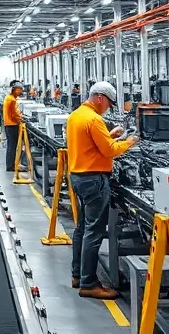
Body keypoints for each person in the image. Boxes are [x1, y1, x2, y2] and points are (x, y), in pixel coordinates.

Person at [66, 80, 139, 300]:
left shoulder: (76, 115)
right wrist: (129, 142)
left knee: (82, 228)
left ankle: (78, 274)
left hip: (78, 176)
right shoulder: (94, 119)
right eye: (108, 103)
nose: (108, 107)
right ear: (100, 97)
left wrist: (112, 135)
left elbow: (90, 145)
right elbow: (108, 152)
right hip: (93, 180)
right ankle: (89, 284)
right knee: (94, 231)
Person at [3, 81, 25, 172]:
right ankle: (10, 166)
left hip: (9, 125)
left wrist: (19, 115)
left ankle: (11, 164)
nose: (21, 92)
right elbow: (12, 114)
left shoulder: (9, 98)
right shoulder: (11, 99)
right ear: (15, 90)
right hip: (12, 125)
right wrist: (20, 119)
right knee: (12, 146)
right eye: (20, 90)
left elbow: (14, 112)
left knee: (11, 146)